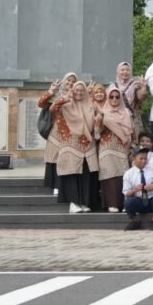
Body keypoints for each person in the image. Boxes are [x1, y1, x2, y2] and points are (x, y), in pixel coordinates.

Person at [51, 81, 101, 214]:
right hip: (71, 144)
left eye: (82, 90)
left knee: (86, 174)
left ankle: (84, 202)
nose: (79, 93)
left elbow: (100, 116)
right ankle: (73, 203)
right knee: (72, 173)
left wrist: (99, 117)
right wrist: (64, 98)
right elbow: (52, 109)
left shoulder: (90, 104)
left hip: (88, 146)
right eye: (76, 90)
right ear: (72, 91)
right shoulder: (66, 104)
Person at [37, 73, 76, 197]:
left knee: (66, 158)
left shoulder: (75, 96)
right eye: (68, 80)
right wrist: (51, 91)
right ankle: (55, 186)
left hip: (70, 131)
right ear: (64, 81)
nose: (70, 83)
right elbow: (40, 103)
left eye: (73, 81)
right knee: (53, 157)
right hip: (55, 130)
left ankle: (64, 186)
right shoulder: (55, 94)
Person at [97, 84, 134, 213]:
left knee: (122, 175)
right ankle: (111, 204)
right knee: (109, 174)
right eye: (111, 96)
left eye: (117, 97)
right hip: (106, 147)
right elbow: (96, 131)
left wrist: (131, 147)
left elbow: (132, 132)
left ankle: (123, 203)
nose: (114, 99)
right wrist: (101, 120)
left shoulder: (126, 113)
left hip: (122, 148)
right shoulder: (103, 112)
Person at [122, 149, 153, 231]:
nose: (143, 161)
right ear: (134, 158)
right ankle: (134, 221)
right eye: (141, 158)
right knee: (128, 202)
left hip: (152, 199)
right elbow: (126, 193)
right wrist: (134, 190)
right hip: (139, 200)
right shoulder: (128, 173)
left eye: (145, 159)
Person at [112, 61, 147, 139]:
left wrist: (143, 87)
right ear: (118, 72)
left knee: (134, 140)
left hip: (132, 118)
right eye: (122, 70)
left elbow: (141, 97)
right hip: (117, 118)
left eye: (127, 70)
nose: (125, 72)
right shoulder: (113, 86)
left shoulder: (135, 85)